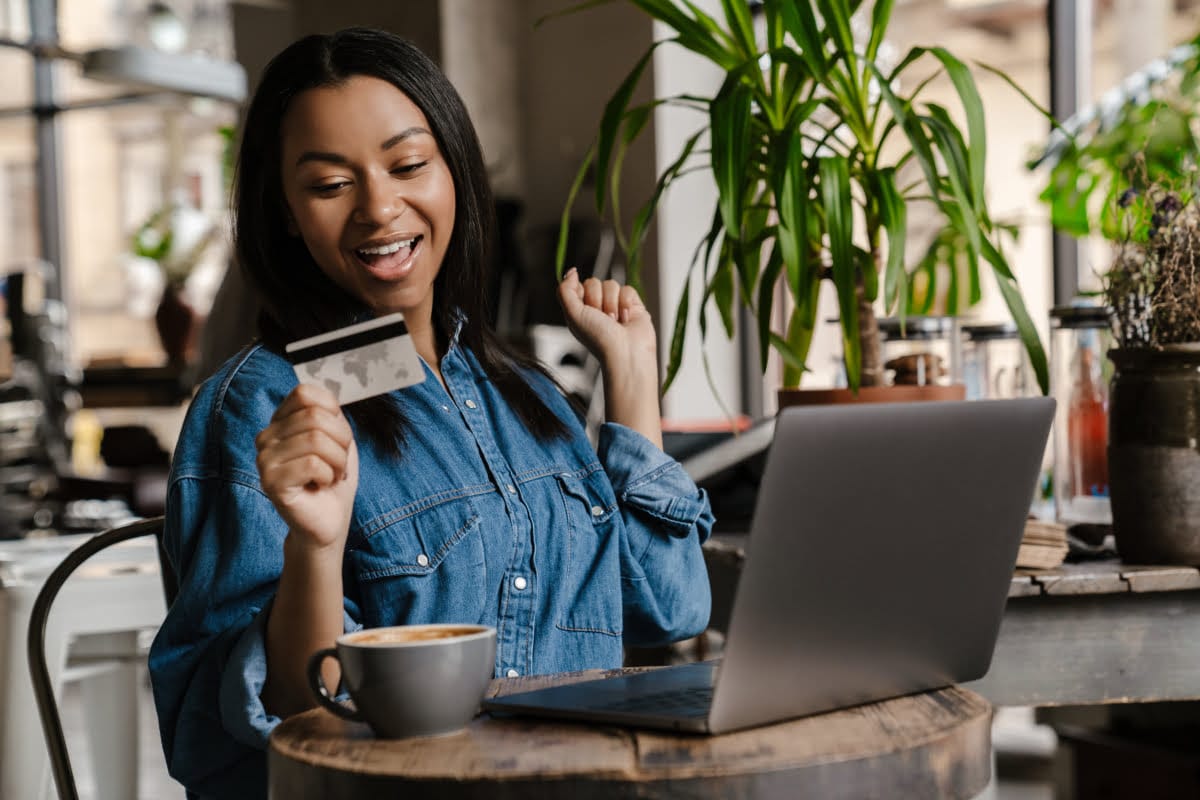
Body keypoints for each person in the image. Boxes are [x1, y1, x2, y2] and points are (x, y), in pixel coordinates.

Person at [148, 27, 713, 799]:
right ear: (284, 211)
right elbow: (285, 715)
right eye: (328, 185)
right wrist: (316, 549)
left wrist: (635, 388)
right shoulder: (265, 404)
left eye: (408, 165)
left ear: (455, 173)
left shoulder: (530, 394)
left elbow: (668, 611)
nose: (380, 208)